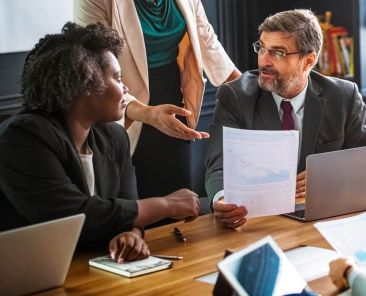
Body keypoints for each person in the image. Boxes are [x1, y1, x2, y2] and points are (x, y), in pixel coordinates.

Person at [0, 22, 201, 263]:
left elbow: (126, 208)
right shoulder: (23, 137)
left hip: (95, 268)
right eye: (117, 77)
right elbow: (74, 217)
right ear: (86, 84)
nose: (125, 88)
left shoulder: (114, 137)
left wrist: (131, 234)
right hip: (30, 271)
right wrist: (166, 205)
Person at [204, 9, 366, 228]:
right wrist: (222, 199)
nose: (264, 61)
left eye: (278, 52)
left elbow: (361, 160)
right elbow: (218, 163)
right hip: (257, 222)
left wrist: (327, 179)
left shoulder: (343, 97)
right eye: (261, 48)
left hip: (324, 220)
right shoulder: (235, 95)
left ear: (308, 61)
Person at [74, 0, 241, 199]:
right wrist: (147, 113)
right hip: (115, 101)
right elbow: (93, 67)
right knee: (126, 200)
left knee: (176, 196)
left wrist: (247, 88)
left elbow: (206, 39)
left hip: (170, 96)